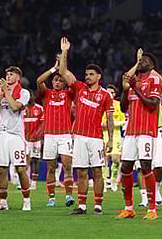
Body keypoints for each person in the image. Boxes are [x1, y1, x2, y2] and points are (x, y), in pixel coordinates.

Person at [57, 37, 114, 215]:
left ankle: (98, 205)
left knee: (97, 171)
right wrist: (65, 51)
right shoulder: (79, 88)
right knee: (81, 172)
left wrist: (110, 139)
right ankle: (81, 205)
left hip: (96, 138)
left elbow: (110, 118)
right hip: (79, 137)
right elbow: (63, 71)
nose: (87, 77)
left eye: (91, 74)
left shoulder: (105, 95)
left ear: (99, 77)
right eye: (86, 74)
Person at [117, 49, 162, 220]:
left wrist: (135, 88)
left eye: (143, 60)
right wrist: (125, 89)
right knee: (125, 168)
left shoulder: (156, 79)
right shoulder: (135, 80)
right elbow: (123, 107)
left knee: (146, 166)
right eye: (139, 60)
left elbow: (152, 104)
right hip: (131, 131)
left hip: (146, 130)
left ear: (151, 64)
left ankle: (152, 209)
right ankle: (128, 208)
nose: (140, 62)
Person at [0, 65, 32, 211]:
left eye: (11, 74)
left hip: (16, 136)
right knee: (1, 169)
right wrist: (0, 95)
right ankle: (2, 203)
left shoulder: (24, 92)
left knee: (20, 169)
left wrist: (6, 92)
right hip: (1, 134)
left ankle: (26, 200)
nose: (8, 76)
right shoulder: (0, 92)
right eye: (7, 74)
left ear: (18, 77)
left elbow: (15, 107)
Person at [36, 57, 75, 207]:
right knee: (51, 167)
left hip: (65, 134)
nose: (57, 82)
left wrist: (63, 68)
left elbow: (74, 81)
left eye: (60, 80)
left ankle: (69, 196)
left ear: (64, 83)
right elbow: (39, 81)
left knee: (67, 165)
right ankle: (51, 197)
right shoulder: (46, 94)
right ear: (52, 82)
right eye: (55, 80)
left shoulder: (68, 94)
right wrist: (54, 68)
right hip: (50, 135)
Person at [103, 84, 125, 192]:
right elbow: (99, 122)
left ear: (115, 94)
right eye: (108, 92)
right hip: (104, 134)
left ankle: (113, 179)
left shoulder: (118, 105)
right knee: (105, 159)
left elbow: (123, 121)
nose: (110, 94)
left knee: (116, 160)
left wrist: (112, 123)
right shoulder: (101, 104)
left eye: (112, 92)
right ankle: (103, 181)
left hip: (116, 135)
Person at [23, 91, 44, 190]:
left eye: (31, 95)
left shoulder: (40, 109)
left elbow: (43, 124)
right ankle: (25, 182)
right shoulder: (23, 108)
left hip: (36, 140)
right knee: (25, 160)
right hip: (24, 139)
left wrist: (38, 134)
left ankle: (34, 183)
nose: (30, 97)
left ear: (34, 96)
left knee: (35, 160)